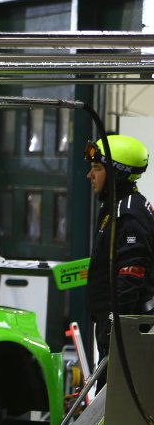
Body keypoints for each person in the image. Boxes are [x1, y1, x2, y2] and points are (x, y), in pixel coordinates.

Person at [83, 134, 154, 362]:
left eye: (97, 168)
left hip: (127, 335)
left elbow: (130, 275)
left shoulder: (128, 214)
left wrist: (114, 327)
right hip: (118, 329)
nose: (89, 175)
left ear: (117, 173)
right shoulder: (115, 207)